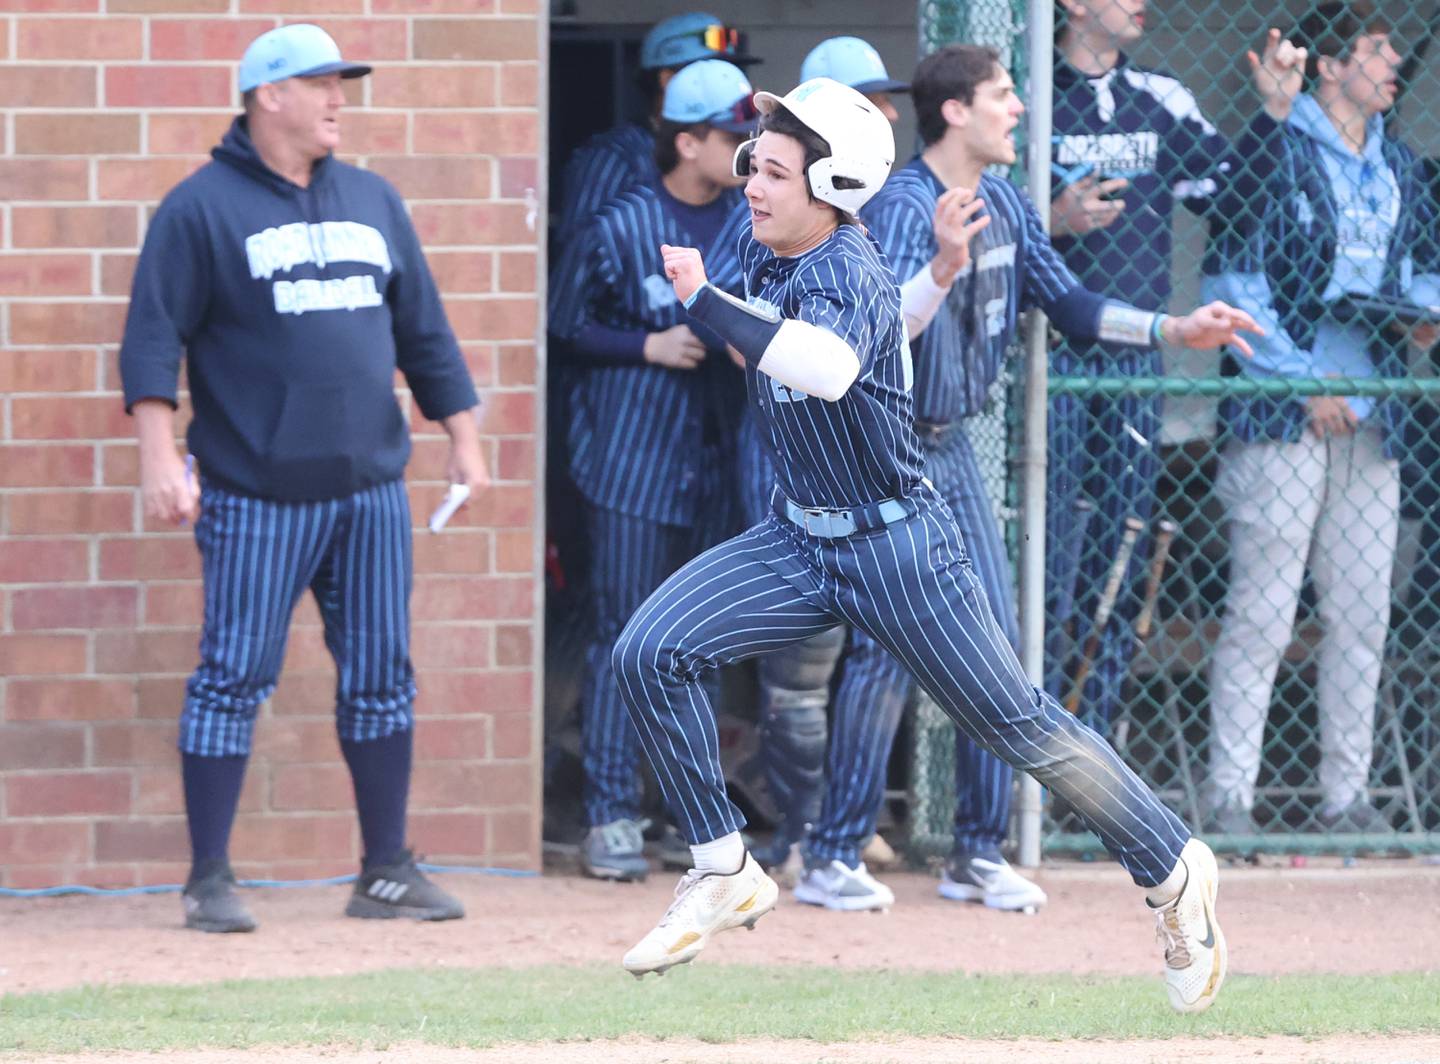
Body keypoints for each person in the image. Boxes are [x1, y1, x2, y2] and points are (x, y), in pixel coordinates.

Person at [614, 72, 1261, 1014]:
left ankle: (1173, 869)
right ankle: (722, 866)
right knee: (649, 651)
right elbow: (881, 335)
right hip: (800, 537)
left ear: (830, 191)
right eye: (756, 162)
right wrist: (918, 262)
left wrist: (704, 300)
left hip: (897, 548)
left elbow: (832, 367)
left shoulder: (846, 266)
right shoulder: (774, 254)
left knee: (1023, 728)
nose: (752, 180)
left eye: (778, 171)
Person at [117, 24, 489, 932]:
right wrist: (160, 455)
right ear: (266, 96)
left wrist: (464, 439)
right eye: (320, 84)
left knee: (381, 678)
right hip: (253, 495)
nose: (338, 100)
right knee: (232, 676)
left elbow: (425, 332)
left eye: (342, 85)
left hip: (370, 491)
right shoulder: (199, 209)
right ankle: (209, 880)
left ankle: (386, 871)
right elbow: (152, 341)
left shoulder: (371, 199)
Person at [1202, 0, 1440, 835]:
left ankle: (1348, 796)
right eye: (1375, 51)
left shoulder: (1401, 164)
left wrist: (1426, 314)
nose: (1391, 66)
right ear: (1330, 65)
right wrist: (1302, 381)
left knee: (1363, 613)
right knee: (1263, 611)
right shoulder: (1276, 149)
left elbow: (1418, 272)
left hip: (1375, 409)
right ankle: (1230, 795)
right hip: (1284, 413)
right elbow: (1231, 283)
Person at [1045, 0, 1304, 737]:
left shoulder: (1159, 96)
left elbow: (1231, 200)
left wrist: (1273, 116)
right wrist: (1053, 217)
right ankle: (1026, 752)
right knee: (1049, 558)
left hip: (1136, 367)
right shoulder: (1026, 99)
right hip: (1047, 362)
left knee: (1120, 552)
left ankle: (1094, 737)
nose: (1142, 4)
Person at [546, 59, 756, 881]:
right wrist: (646, 343)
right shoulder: (623, 220)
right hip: (631, 456)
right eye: (732, 137)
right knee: (622, 636)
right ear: (688, 138)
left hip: (718, 452)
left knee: (697, 645)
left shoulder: (748, 224)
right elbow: (563, 328)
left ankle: (691, 821)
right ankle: (609, 814)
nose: (744, 153)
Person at [736, 34, 912, 903]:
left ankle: (840, 837)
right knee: (793, 678)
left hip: (887, 502)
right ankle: (808, 842)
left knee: (996, 707)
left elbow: (842, 359)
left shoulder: (858, 253)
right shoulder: (764, 236)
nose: (758, 180)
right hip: (796, 483)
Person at [557, 12, 760, 237]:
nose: (725, 78)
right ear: (666, 79)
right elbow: (579, 251)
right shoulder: (610, 157)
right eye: (707, 69)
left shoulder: (736, 179)